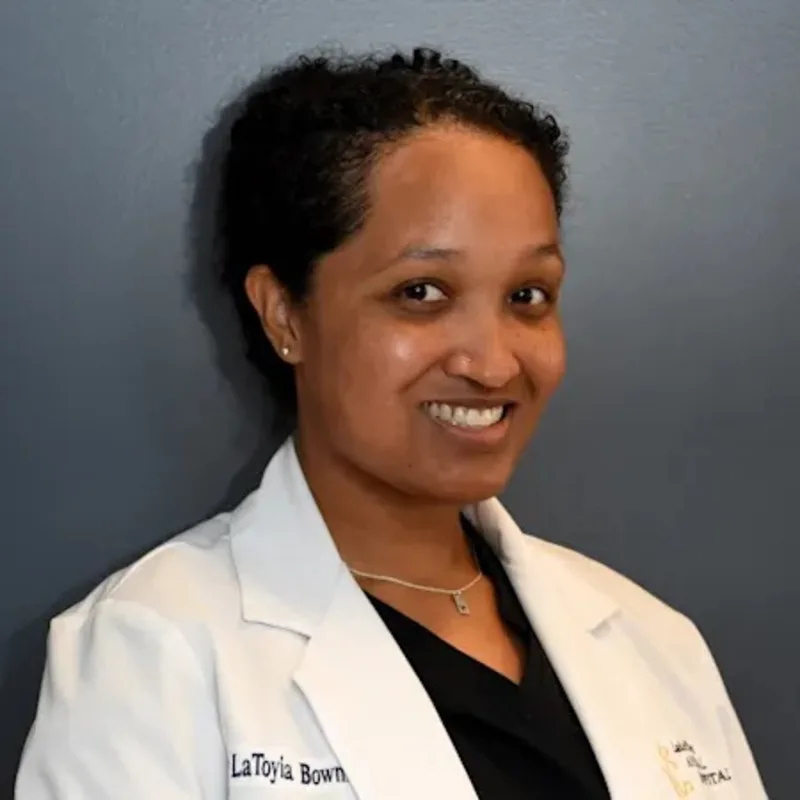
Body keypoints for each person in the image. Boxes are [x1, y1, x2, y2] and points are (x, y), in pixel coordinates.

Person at [15, 47, 767, 799]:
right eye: (421, 291)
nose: (495, 364)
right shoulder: (152, 652)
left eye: (528, 296)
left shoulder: (653, 641)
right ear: (285, 315)